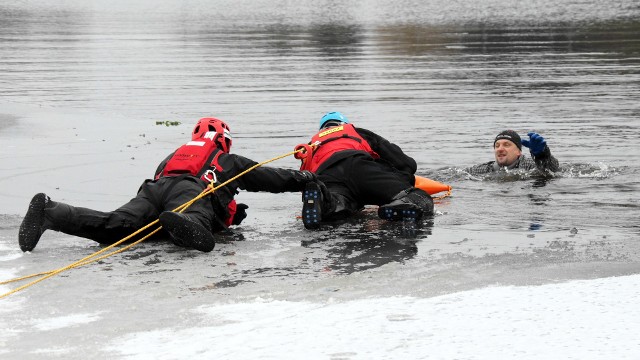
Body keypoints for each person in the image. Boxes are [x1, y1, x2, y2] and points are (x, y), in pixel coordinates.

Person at [18, 117, 317, 253]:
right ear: (223, 141)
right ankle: (181, 224)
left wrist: (230, 213)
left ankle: (52, 211)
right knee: (194, 216)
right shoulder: (228, 160)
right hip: (188, 193)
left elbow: (159, 185)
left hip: (152, 190)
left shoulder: (173, 155)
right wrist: (304, 179)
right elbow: (268, 178)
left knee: (115, 225)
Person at [295, 111, 434, 230]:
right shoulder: (356, 132)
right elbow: (404, 162)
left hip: (327, 176)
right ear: (343, 124)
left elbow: (306, 179)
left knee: (337, 205)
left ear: (321, 130)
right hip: (358, 166)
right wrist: (402, 178)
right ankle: (400, 204)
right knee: (418, 197)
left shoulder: (310, 146)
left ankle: (325, 204)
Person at [465, 130, 560, 175]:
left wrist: (542, 155)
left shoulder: (528, 165)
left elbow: (553, 170)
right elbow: (459, 174)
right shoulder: (484, 169)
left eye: (506, 145)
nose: (500, 149)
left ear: (519, 151)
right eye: (497, 146)